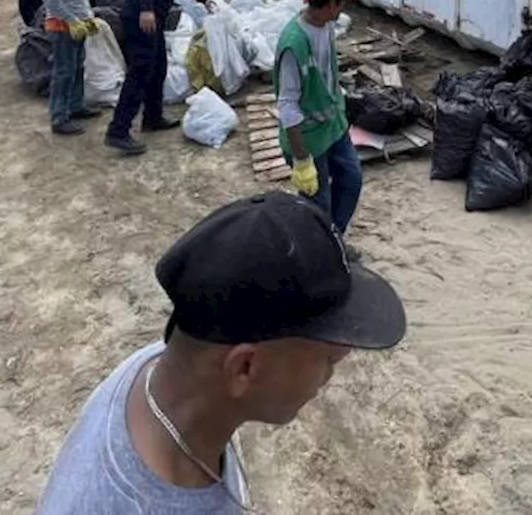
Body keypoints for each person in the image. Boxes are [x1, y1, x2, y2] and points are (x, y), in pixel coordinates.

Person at [36, 191, 406, 514]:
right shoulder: (140, 504)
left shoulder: (158, 371)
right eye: (328, 356)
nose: (342, 359)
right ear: (244, 367)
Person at [105, 0, 211, 156]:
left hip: (153, 20)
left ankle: (152, 117)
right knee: (140, 72)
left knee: (159, 67)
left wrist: (203, 0)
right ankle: (117, 131)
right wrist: (146, 9)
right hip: (142, 20)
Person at [274, 0, 364, 249]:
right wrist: (301, 161)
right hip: (309, 140)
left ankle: (332, 242)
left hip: (334, 128)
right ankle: (320, 253)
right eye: (342, 0)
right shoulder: (294, 43)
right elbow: (287, 105)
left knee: (351, 180)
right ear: (329, 4)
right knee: (318, 206)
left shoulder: (326, 26)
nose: (344, 6)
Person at [43, 0, 108, 136]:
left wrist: (87, 18)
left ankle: (75, 105)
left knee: (78, 67)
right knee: (63, 71)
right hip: (63, 26)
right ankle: (59, 116)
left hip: (77, 25)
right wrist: (72, 20)